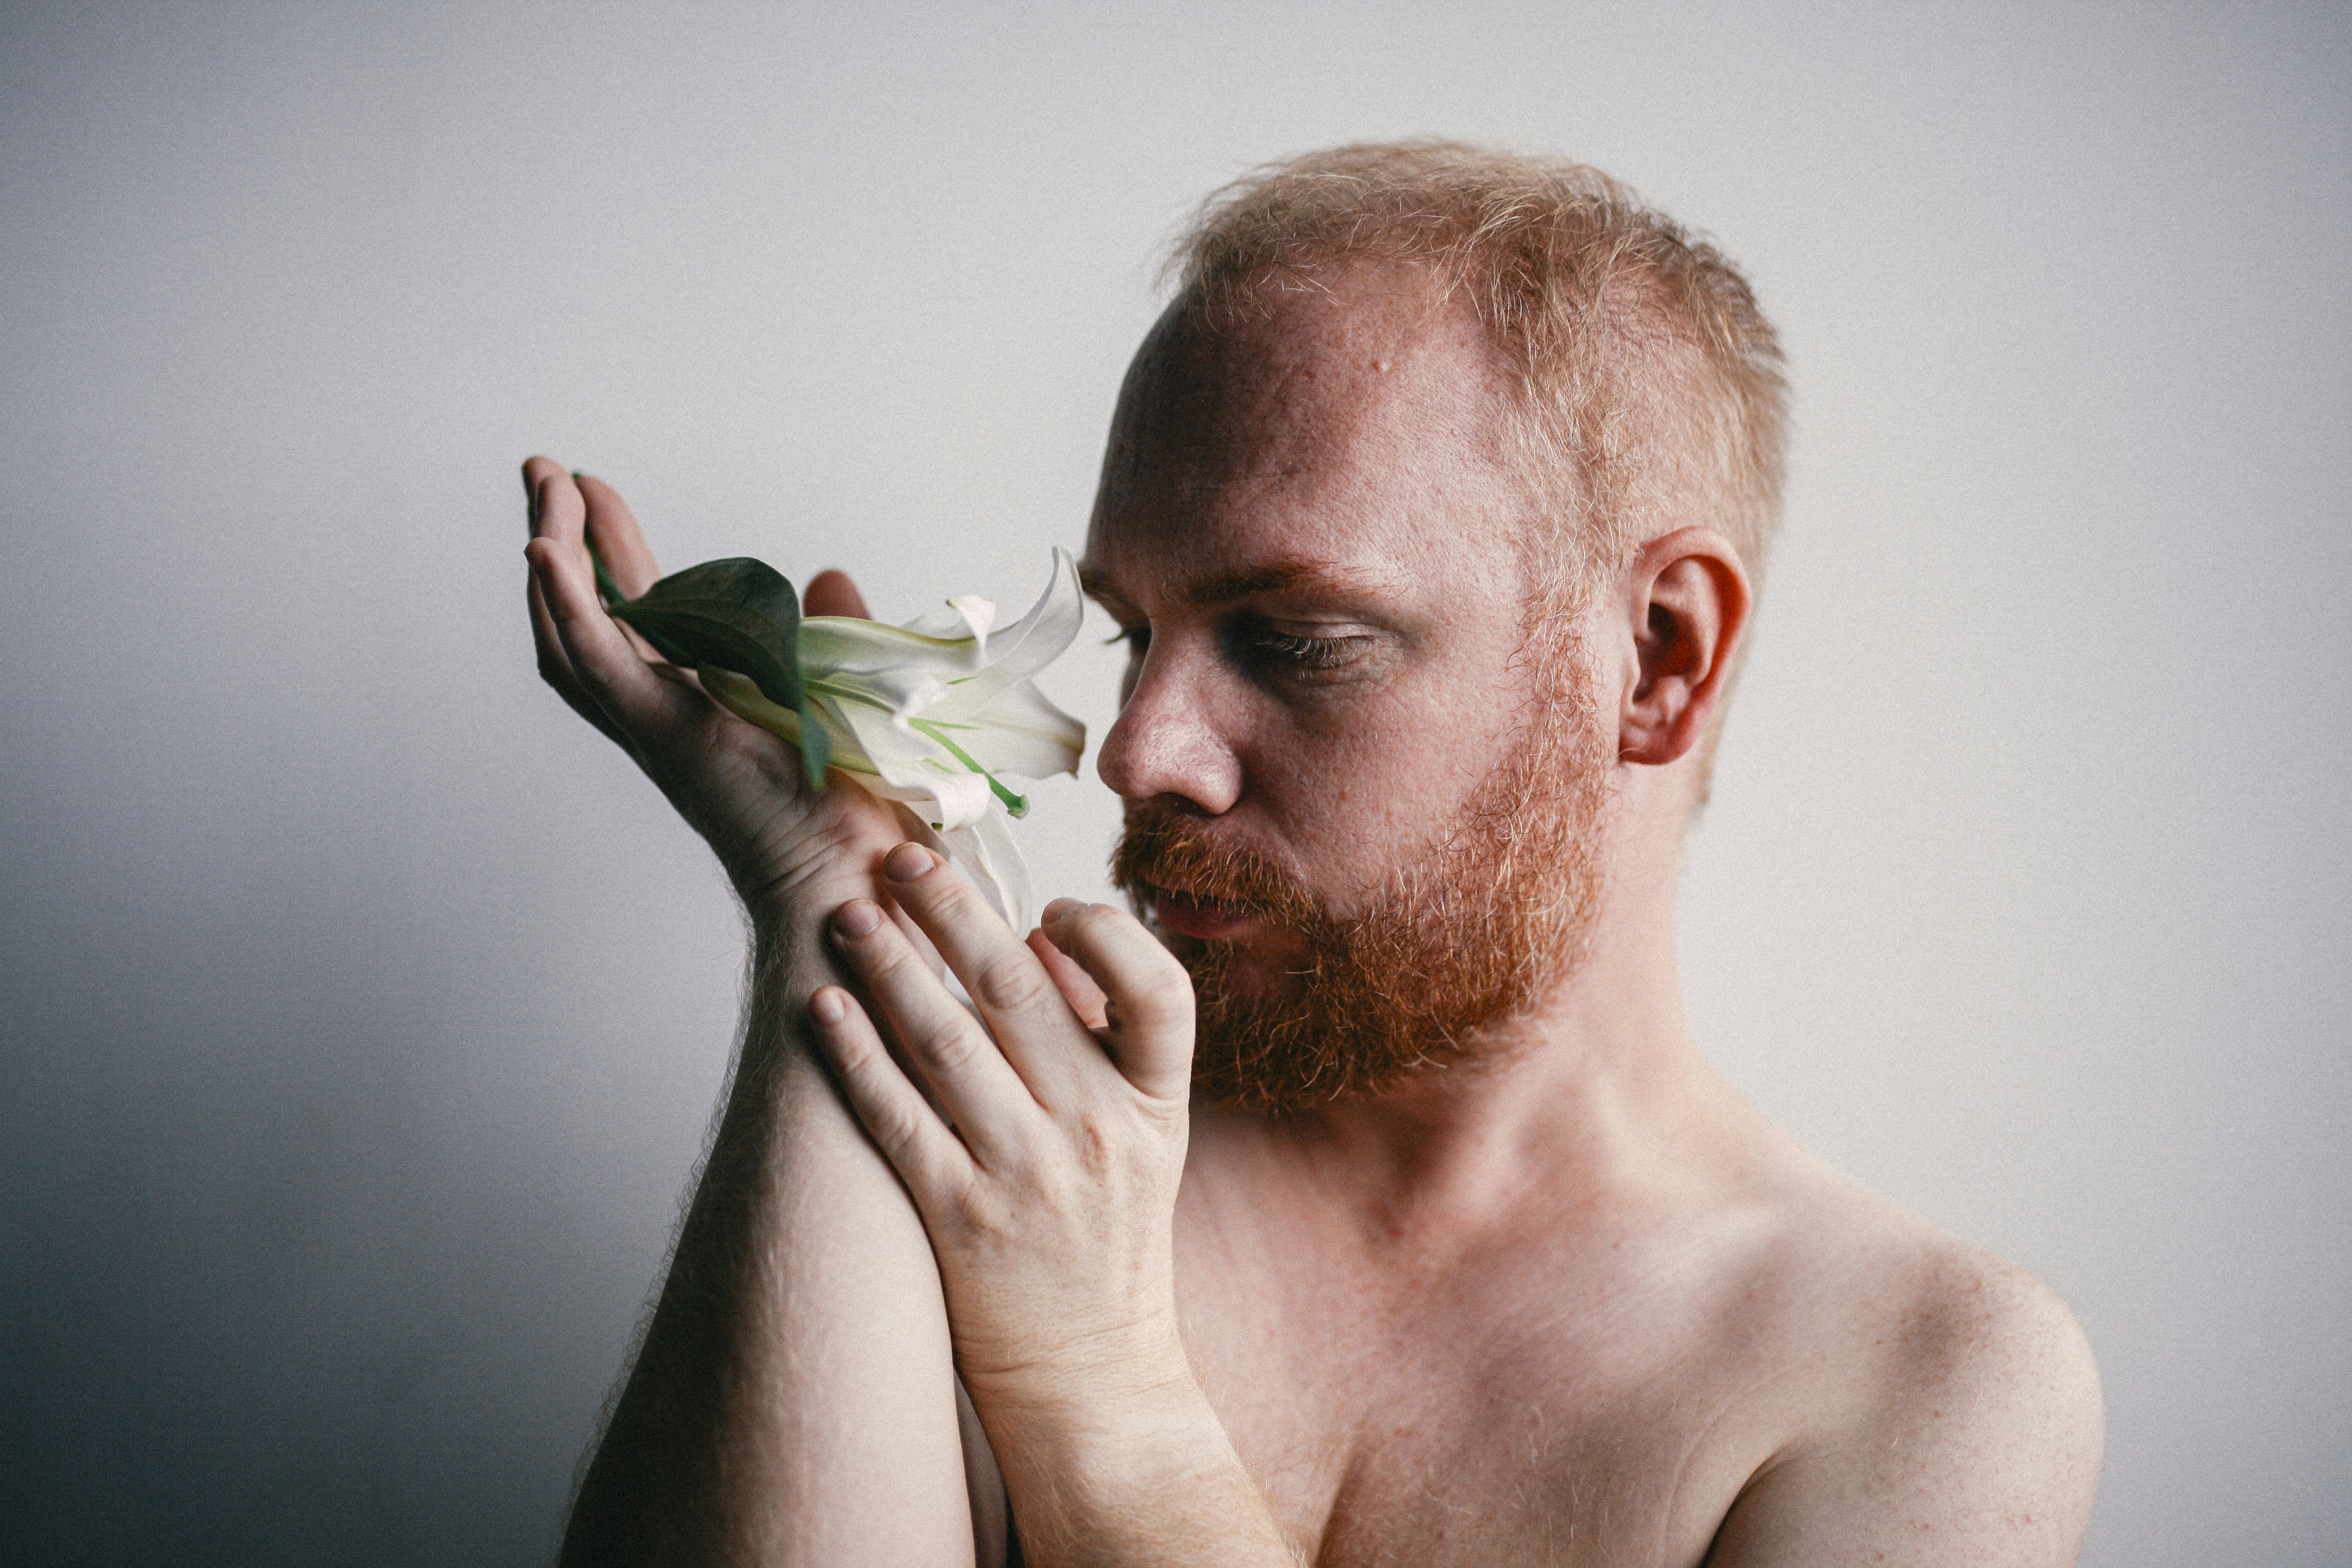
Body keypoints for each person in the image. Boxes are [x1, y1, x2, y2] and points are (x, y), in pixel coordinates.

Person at [522, 142, 2103, 1567]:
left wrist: (1107, 1393)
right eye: (1139, 631)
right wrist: (828, 893)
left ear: (1660, 656)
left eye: (1294, 638)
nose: (1138, 749)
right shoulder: (1007, 1142)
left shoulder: (1920, 1379)